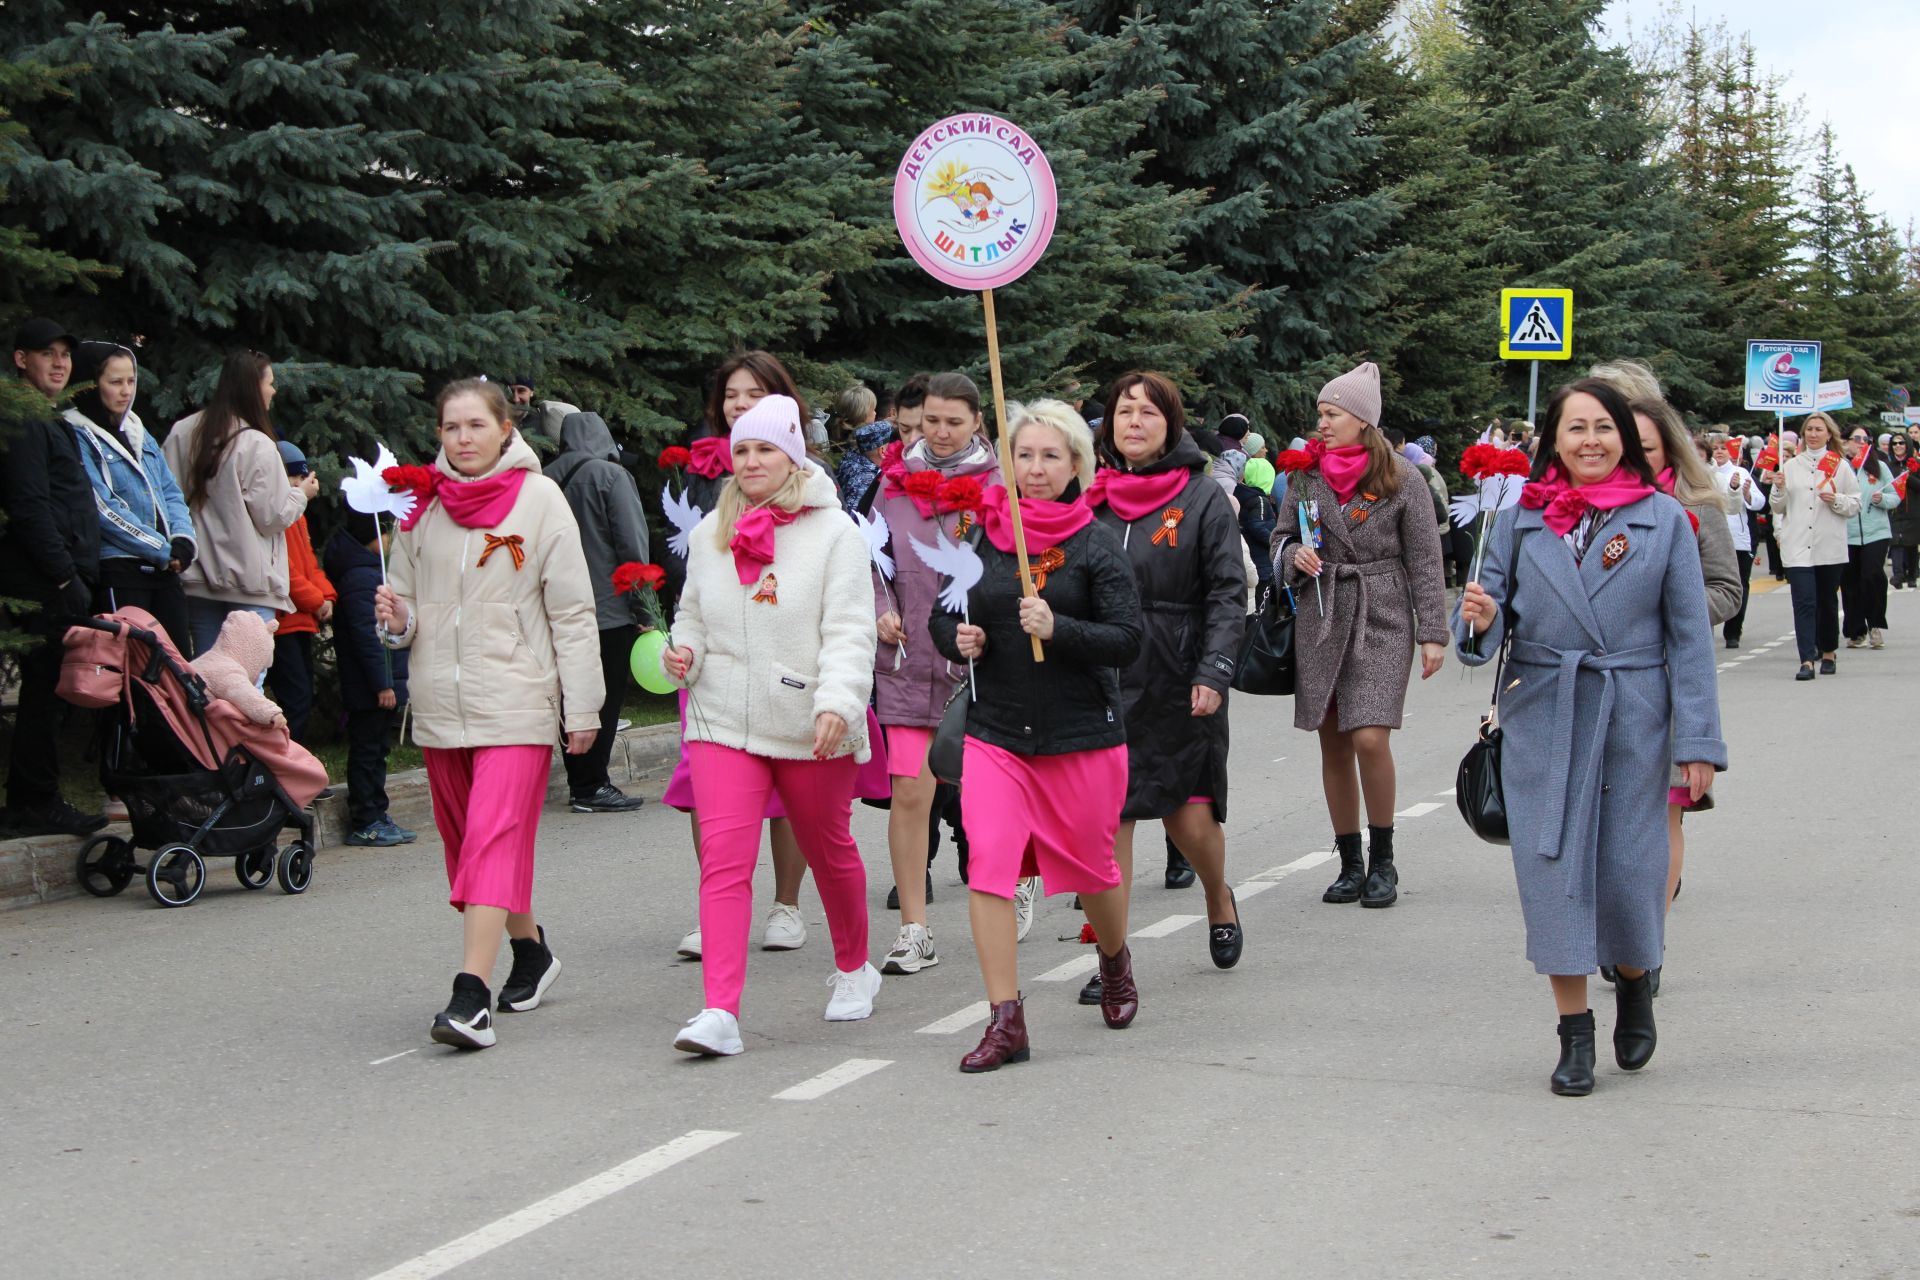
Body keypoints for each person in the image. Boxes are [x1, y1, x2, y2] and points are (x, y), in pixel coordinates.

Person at [1455, 377, 1725, 1097]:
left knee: (1631, 871)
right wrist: (1478, 621)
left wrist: (1698, 744)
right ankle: (1574, 1033)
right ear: (1553, 442)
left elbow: (1691, 642)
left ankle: (1634, 978)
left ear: (1626, 440)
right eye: (1576, 429)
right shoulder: (1518, 520)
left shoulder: (1663, 518)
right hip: (1545, 708)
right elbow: (1486, 629)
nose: (1591, 442)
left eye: (1603, 428)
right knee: (1553, 873)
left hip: (1635, 711)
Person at [374, 378, 602, 1050]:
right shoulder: (421, 508)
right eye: (452, 428)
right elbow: (407, 614)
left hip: (518, 703)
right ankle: (530, 951)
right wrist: (397, 620)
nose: (464, 439)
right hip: (443, 710)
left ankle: (470, 995)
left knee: (492, 843)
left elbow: (571, 611)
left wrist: (581, 705)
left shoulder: (541, 501)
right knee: (466, 852)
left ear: (507, 429)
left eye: (476, 425)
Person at [661, 393, 881, 1056]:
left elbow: (850, 629)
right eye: (743, 450)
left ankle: (853, 966)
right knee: (725, 863)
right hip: (721, 717)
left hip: (807, 720)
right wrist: (685, 650)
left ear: (793, 457)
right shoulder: (710, 534)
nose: (752, 460)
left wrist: (838, 703)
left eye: (766, 449)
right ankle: (720, 1011)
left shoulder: (835, 534)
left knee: (827, 849)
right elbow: (691, 614)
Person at [930, 401, 1144, 1068]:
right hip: (998, 734)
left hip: (1081, 736)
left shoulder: (1096, 543)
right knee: (989, 865)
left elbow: (1128, 641)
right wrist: (958, 636)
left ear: (1076, 464)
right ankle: (1006, 1019)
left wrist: (1061, 629)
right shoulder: (985, 536)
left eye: (1051, 456)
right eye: (1025, 455)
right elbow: (945, 610)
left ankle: (1113, 959)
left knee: (1095, 870)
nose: (1036, 468)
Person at [1084, 369, 1246, 1002]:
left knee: (1190, 821)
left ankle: (1217, 894)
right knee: (1108, 823)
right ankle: (1112, 960)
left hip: (1180, 677)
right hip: (1103, 678)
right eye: (1124, 411)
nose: (1134, 423)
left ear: (1171, 425)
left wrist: (1214, 671)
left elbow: (1229, 593)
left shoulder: (1203, 497)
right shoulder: (1088, 496)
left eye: (1149, 413)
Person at [1273, 363, 1448, 910]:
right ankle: (1350, 862)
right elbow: (1279, 542)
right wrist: (1292, 559)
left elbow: (1425, 559)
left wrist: (1433, 632)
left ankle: (1384, 858)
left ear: (1362, 420)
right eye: (1320, 414)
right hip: (1322, 611)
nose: (1321, 424)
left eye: (1332, 414)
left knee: (1370, 736)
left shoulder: (1402, 478)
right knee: (1334, 741)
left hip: (1383, 613)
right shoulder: (1305, 477)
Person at [667, 351, 816, 957]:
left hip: (783, 656)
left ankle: (786, 905)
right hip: (717, 657)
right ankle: (719, 905)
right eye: (731, 394)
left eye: (754, 392)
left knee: (790, 791)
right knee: (709, 789)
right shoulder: (702, 472)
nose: (739, 403)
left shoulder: (805, 480)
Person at [869, 372, 1004, 975]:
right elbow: (871, 560)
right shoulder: (891, 486)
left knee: (988, 796)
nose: (942, 433)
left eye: (955, 421)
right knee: (909, 790)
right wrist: (882, 611)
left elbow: (1023, 567)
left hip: (979, 666)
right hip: (905, 661)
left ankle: (1012, 883)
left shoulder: (1001, 486)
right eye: (931, 421)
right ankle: (915, 929)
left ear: (977, 421)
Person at [0, 318, 104, 838]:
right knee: (45, 692)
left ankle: (29, 798)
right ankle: (33, 801)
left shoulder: (47, 418)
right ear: (21, 359)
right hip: (45, 581)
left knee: (53, 692)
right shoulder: (24, 422)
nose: (60, 363)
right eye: (48, 353)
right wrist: (64, 577)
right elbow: (30, 506)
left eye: (66, 354)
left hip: (62, 575)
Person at [164, 351, 314, 656]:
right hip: (248, 582)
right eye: (270, 383)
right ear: (252, 388)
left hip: (197, 575)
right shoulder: (256, 443)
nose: (274, 390)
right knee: (246, 681)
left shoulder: (182, 432)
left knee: (208, 678)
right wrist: (301, 495)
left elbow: (166, 495)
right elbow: (272, 516)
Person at [546, 410, 651, 813]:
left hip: (557, 607)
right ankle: (592, 785)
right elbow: (631, 544)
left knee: (571, 695)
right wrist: (644, 606)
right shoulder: (611, 476)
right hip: (607, 607)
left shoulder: (543, 480)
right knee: (604, 697)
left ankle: (580, 780)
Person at [68, 341, 196, 654]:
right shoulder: (76, 433)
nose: (126, 391)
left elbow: (169, 490)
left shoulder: (138, 430)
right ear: (90, 384)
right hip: (121, 569)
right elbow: (101, 506)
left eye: (130, 381)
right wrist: (160, 548)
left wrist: (183, 540)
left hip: (165, 569)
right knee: (133, 669)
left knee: (179, 664)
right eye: (115, 382)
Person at [324, 506, 415, 848]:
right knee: (367, 752)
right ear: (373, 537)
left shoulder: (369, 571)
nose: (391, 540)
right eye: (386, 533)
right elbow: (369, 635)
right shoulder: (362, 577)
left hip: (378, 682)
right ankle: (365, 819)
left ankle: (378, 813)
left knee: (377, 751)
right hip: (370, 685)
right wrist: (383, 683)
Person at [1761, 412, 1859, 680]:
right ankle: (1806, 659)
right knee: (1804, 602)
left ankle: (1828, 651)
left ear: (1829, 434)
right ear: (1803, 434)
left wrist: (1836, 499)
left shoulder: (1839, 466)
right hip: (1798, 547)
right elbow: (1777, 507)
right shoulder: (1790, 466)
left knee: (1826, 602)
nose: (1813, 434)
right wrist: (1779, 488)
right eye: (1809, 430)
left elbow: (1855, 504)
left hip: (1829, 547)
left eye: (1819, 429)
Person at [265, 440, 334, 744]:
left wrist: (327, 596)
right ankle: (287, 772)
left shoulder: (298, 516)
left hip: (300, 618)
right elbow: (285, 571)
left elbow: (309, 565)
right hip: (284, 621)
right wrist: (316, 600)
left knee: (302, 695)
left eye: (301, 478)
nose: (298, 484)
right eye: (293, 478)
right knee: (295, 699)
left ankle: (296, 773)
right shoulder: (280, 515)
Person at [1839, 426, 1897, 650]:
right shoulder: (1839, 467)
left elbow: (1895, 495)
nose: (1862, 442)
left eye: (1866, 439)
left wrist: (1881, 499)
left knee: (1872, 575)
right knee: (1850, 581)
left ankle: (1875, 625)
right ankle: (1856, 630)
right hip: (1846, 533)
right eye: (1857, 438)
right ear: (1845, 442)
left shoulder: (1878, 466)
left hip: (1876, 532)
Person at [1707, 433, 1767, 647]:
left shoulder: (1741, 473)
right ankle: (1707, 629)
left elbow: (1760, 503)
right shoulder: (1704, 473)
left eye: (1724, 448)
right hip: (1711, 540)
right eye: (1716, 448)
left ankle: (1733, 631)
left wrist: (1747, 493)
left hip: (1738, 540)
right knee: (1710, 585)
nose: (1720, 452)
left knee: (1739, 584)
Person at [836, 418, 895, 517]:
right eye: (894, 444)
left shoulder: (851, 460)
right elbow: (856, 520)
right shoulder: (868, 482)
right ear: (883, 451)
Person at [506, 375, 581, 439]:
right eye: (511, 391)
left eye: (521, 391)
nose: (515, 399)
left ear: (531, 392)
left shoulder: (545, 422)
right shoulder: (499, 423)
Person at [1888, 435, 1918, 589]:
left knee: (1911, 545)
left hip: (1912, 511)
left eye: (1901, 443)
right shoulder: (1887, 466)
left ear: (1907, 445)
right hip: (1894, 511)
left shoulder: (1916, 464)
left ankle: (1912, 574)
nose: (1897, 446)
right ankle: (1898, 575)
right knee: (1895, 543)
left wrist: (1907, 477)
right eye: (1894, 443)